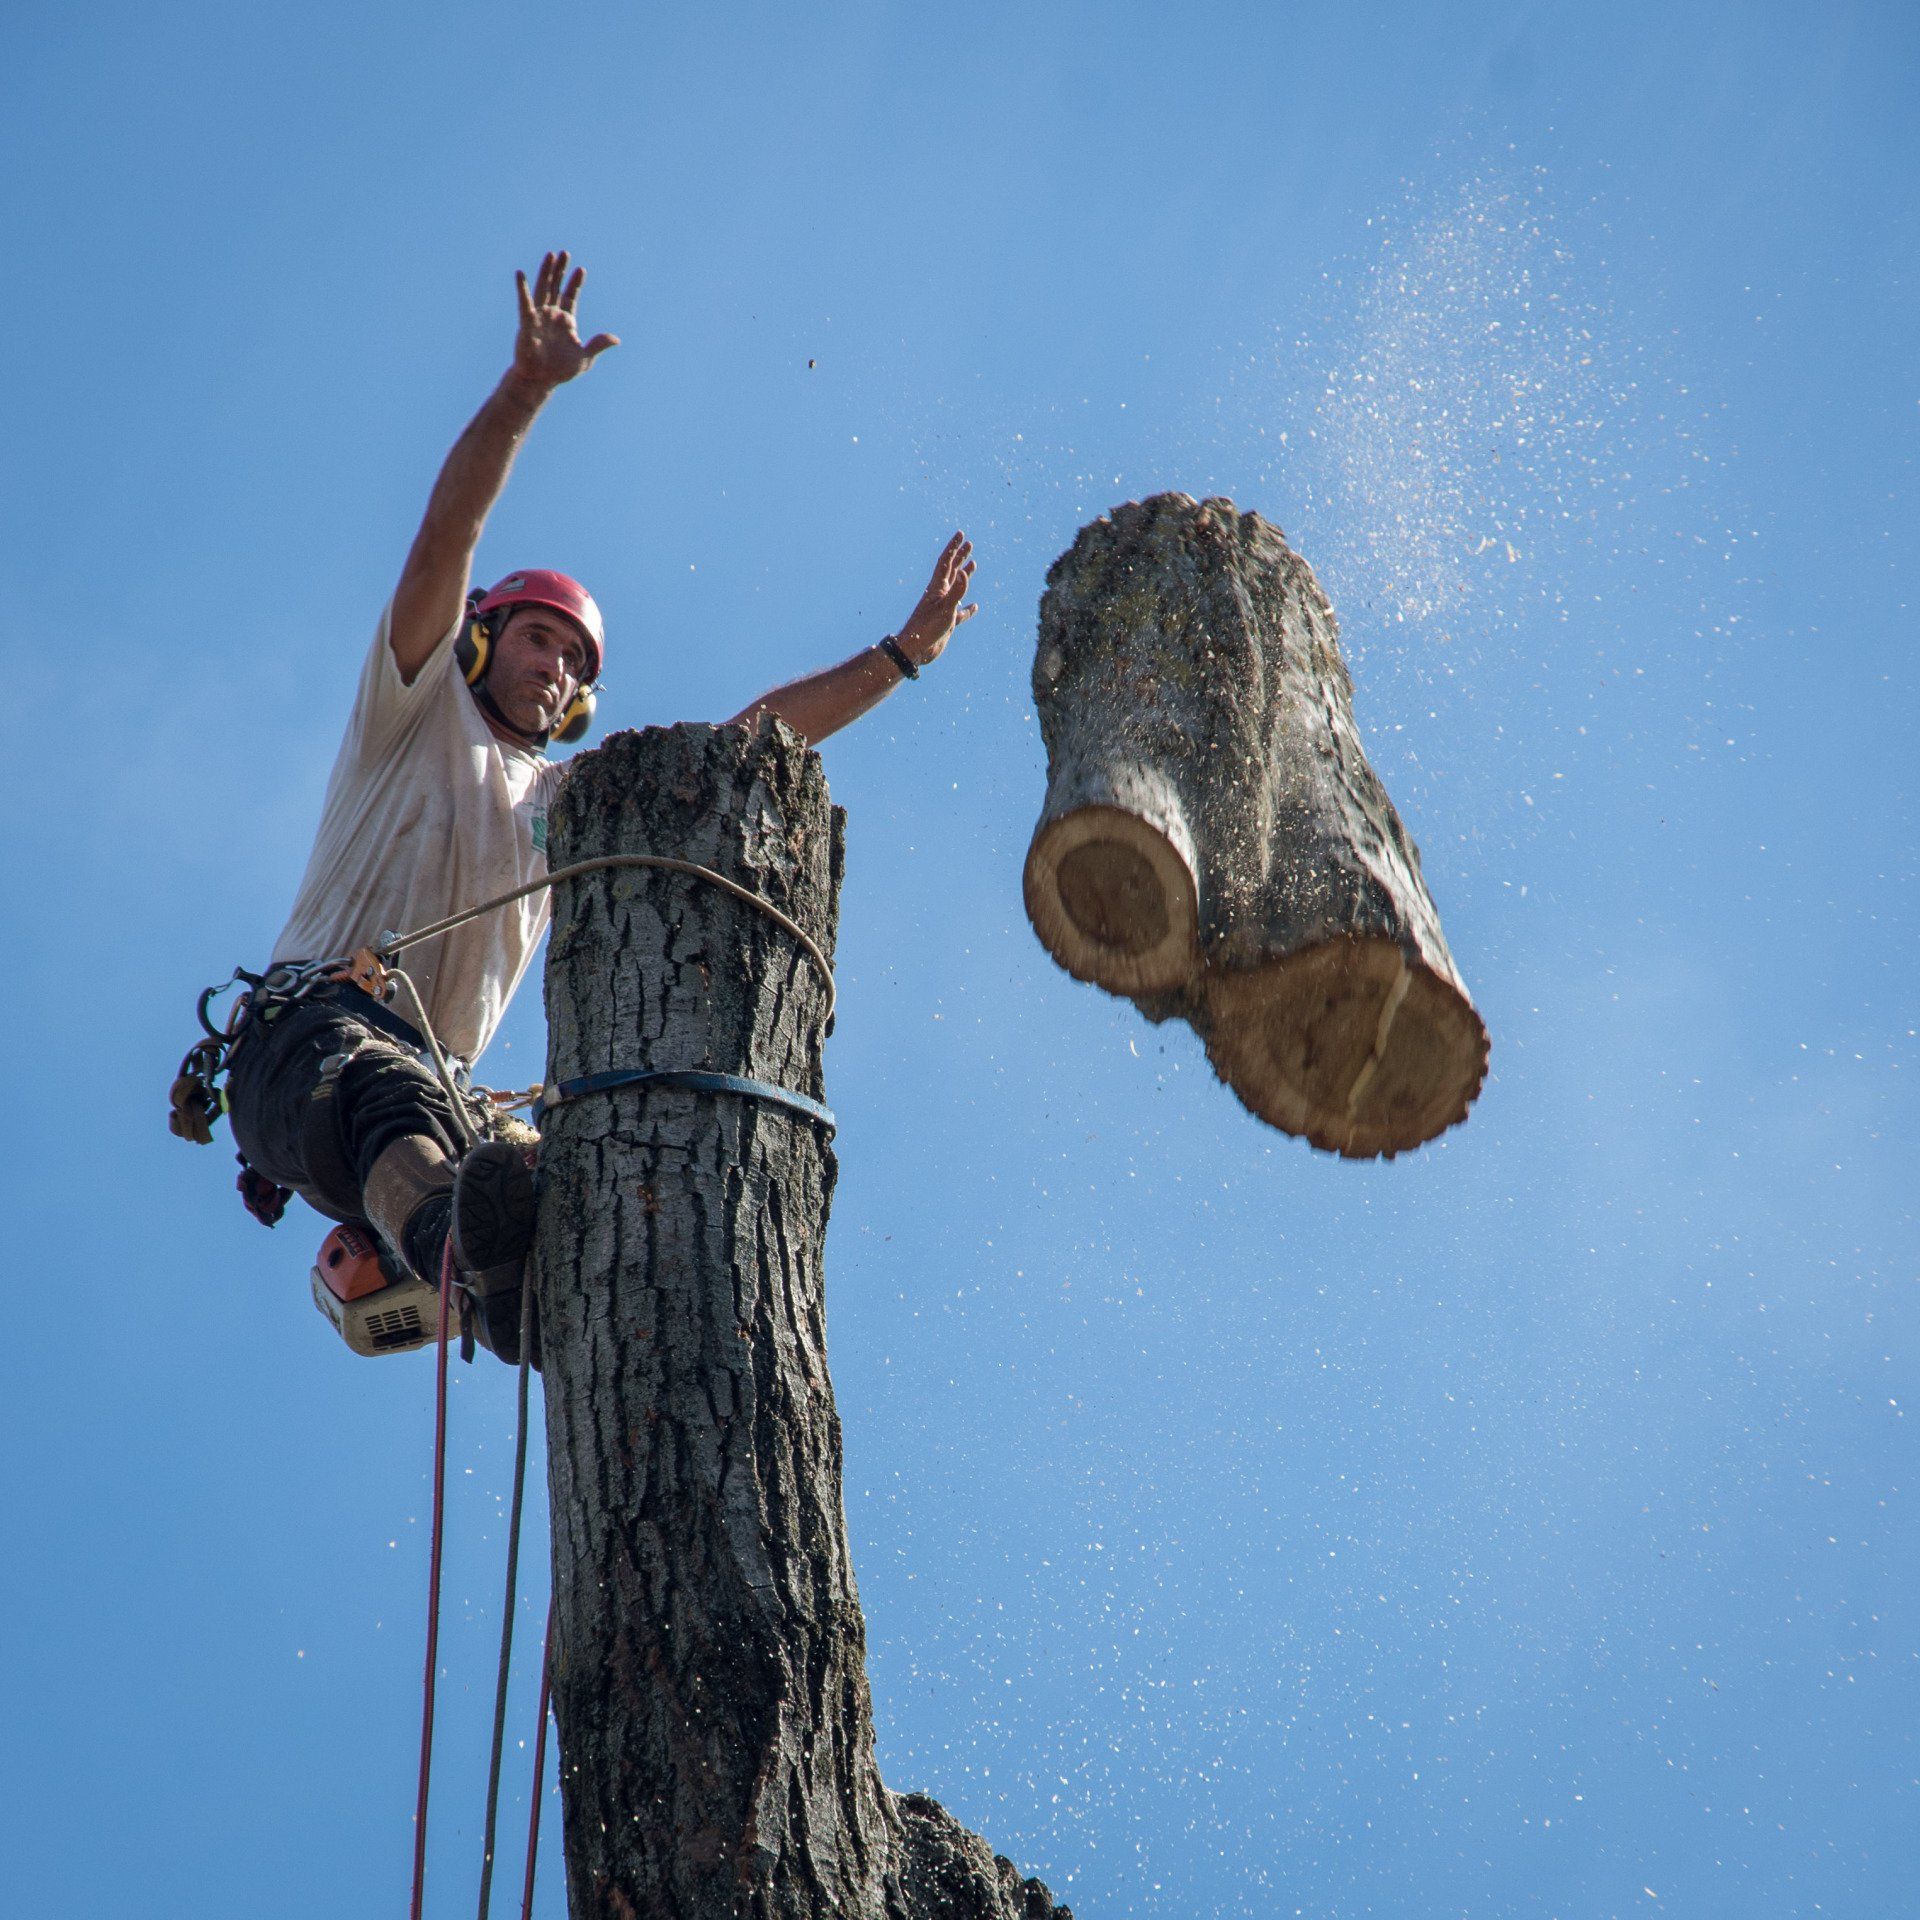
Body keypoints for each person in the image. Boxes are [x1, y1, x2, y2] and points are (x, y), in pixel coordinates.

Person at [221, 251, 977, 1362]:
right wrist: (523, 392)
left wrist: (898, 658)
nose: (559, 671)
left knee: (544, 1172)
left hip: (437, 1088)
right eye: (541, 638)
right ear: (482, 636)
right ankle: (464, 1264)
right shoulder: (412, 710)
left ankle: (501, 1280)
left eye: (578, 664)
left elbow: (744, 740)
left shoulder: (568, 805)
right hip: (309, 1044)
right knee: (390, 1102)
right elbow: (447, 540)